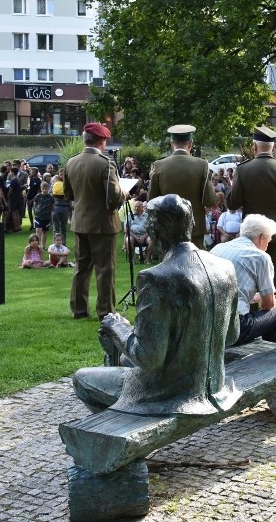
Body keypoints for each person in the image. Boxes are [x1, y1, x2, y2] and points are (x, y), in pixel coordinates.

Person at [72, 194, 241, 416]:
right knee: (123, 359)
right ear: (190, 225)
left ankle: (120, 434)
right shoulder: (224, 267)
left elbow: (149, 357)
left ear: (154, 230)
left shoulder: (156, 278)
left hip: (174, 394)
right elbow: (231, 336)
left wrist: (116, 326)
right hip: (216, 385)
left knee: (81, 378)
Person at [225, 126, 276, 298]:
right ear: (274, 148)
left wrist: (232, 188)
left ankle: (253, 313)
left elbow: (232, 203)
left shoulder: (243, 169)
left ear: (254, 147)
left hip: (252, 234)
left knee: (250, 273)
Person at [64, 122, 125, 320]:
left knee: (81, 268)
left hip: (80, 222)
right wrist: (124, 194)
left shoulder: (71, 162)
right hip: (103, 223)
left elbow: (68, 194)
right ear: (102, 141)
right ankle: (106, 311)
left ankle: (79, 309)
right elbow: (114, 196)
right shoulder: (105, 163)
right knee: (105, 269)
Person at [211, 214, 276, 345]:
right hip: (232, 329)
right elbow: (269, 305)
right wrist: (269, 300)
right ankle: (269, 359)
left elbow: (233, 291)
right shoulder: (260, 257)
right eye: (268, 240)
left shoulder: (218, 248)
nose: (267, 245)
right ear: (261, 237)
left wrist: (257, 298)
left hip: (208, 324)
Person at [148, 124, 217, 249]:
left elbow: (152, 200)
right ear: (190, 143)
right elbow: (210, 200)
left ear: (171, 143)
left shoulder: (158, 165)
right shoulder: (202, 165)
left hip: (167, 227)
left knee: (168, 265)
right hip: (194, 227)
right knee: (195, 265)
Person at [124, 199, 152, 263]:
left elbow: (150, 228)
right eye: (135, 206)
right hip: (133, 235)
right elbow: (126, 229)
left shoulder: (147, 216)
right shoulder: (129, 215)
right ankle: (132, 259)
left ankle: (148, 259)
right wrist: (136, 237)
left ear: (142, 207)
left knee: (151, 240)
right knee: (128, 240)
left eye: (138, 207)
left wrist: (143, 237)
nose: (136, 208)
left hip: (145, 235)